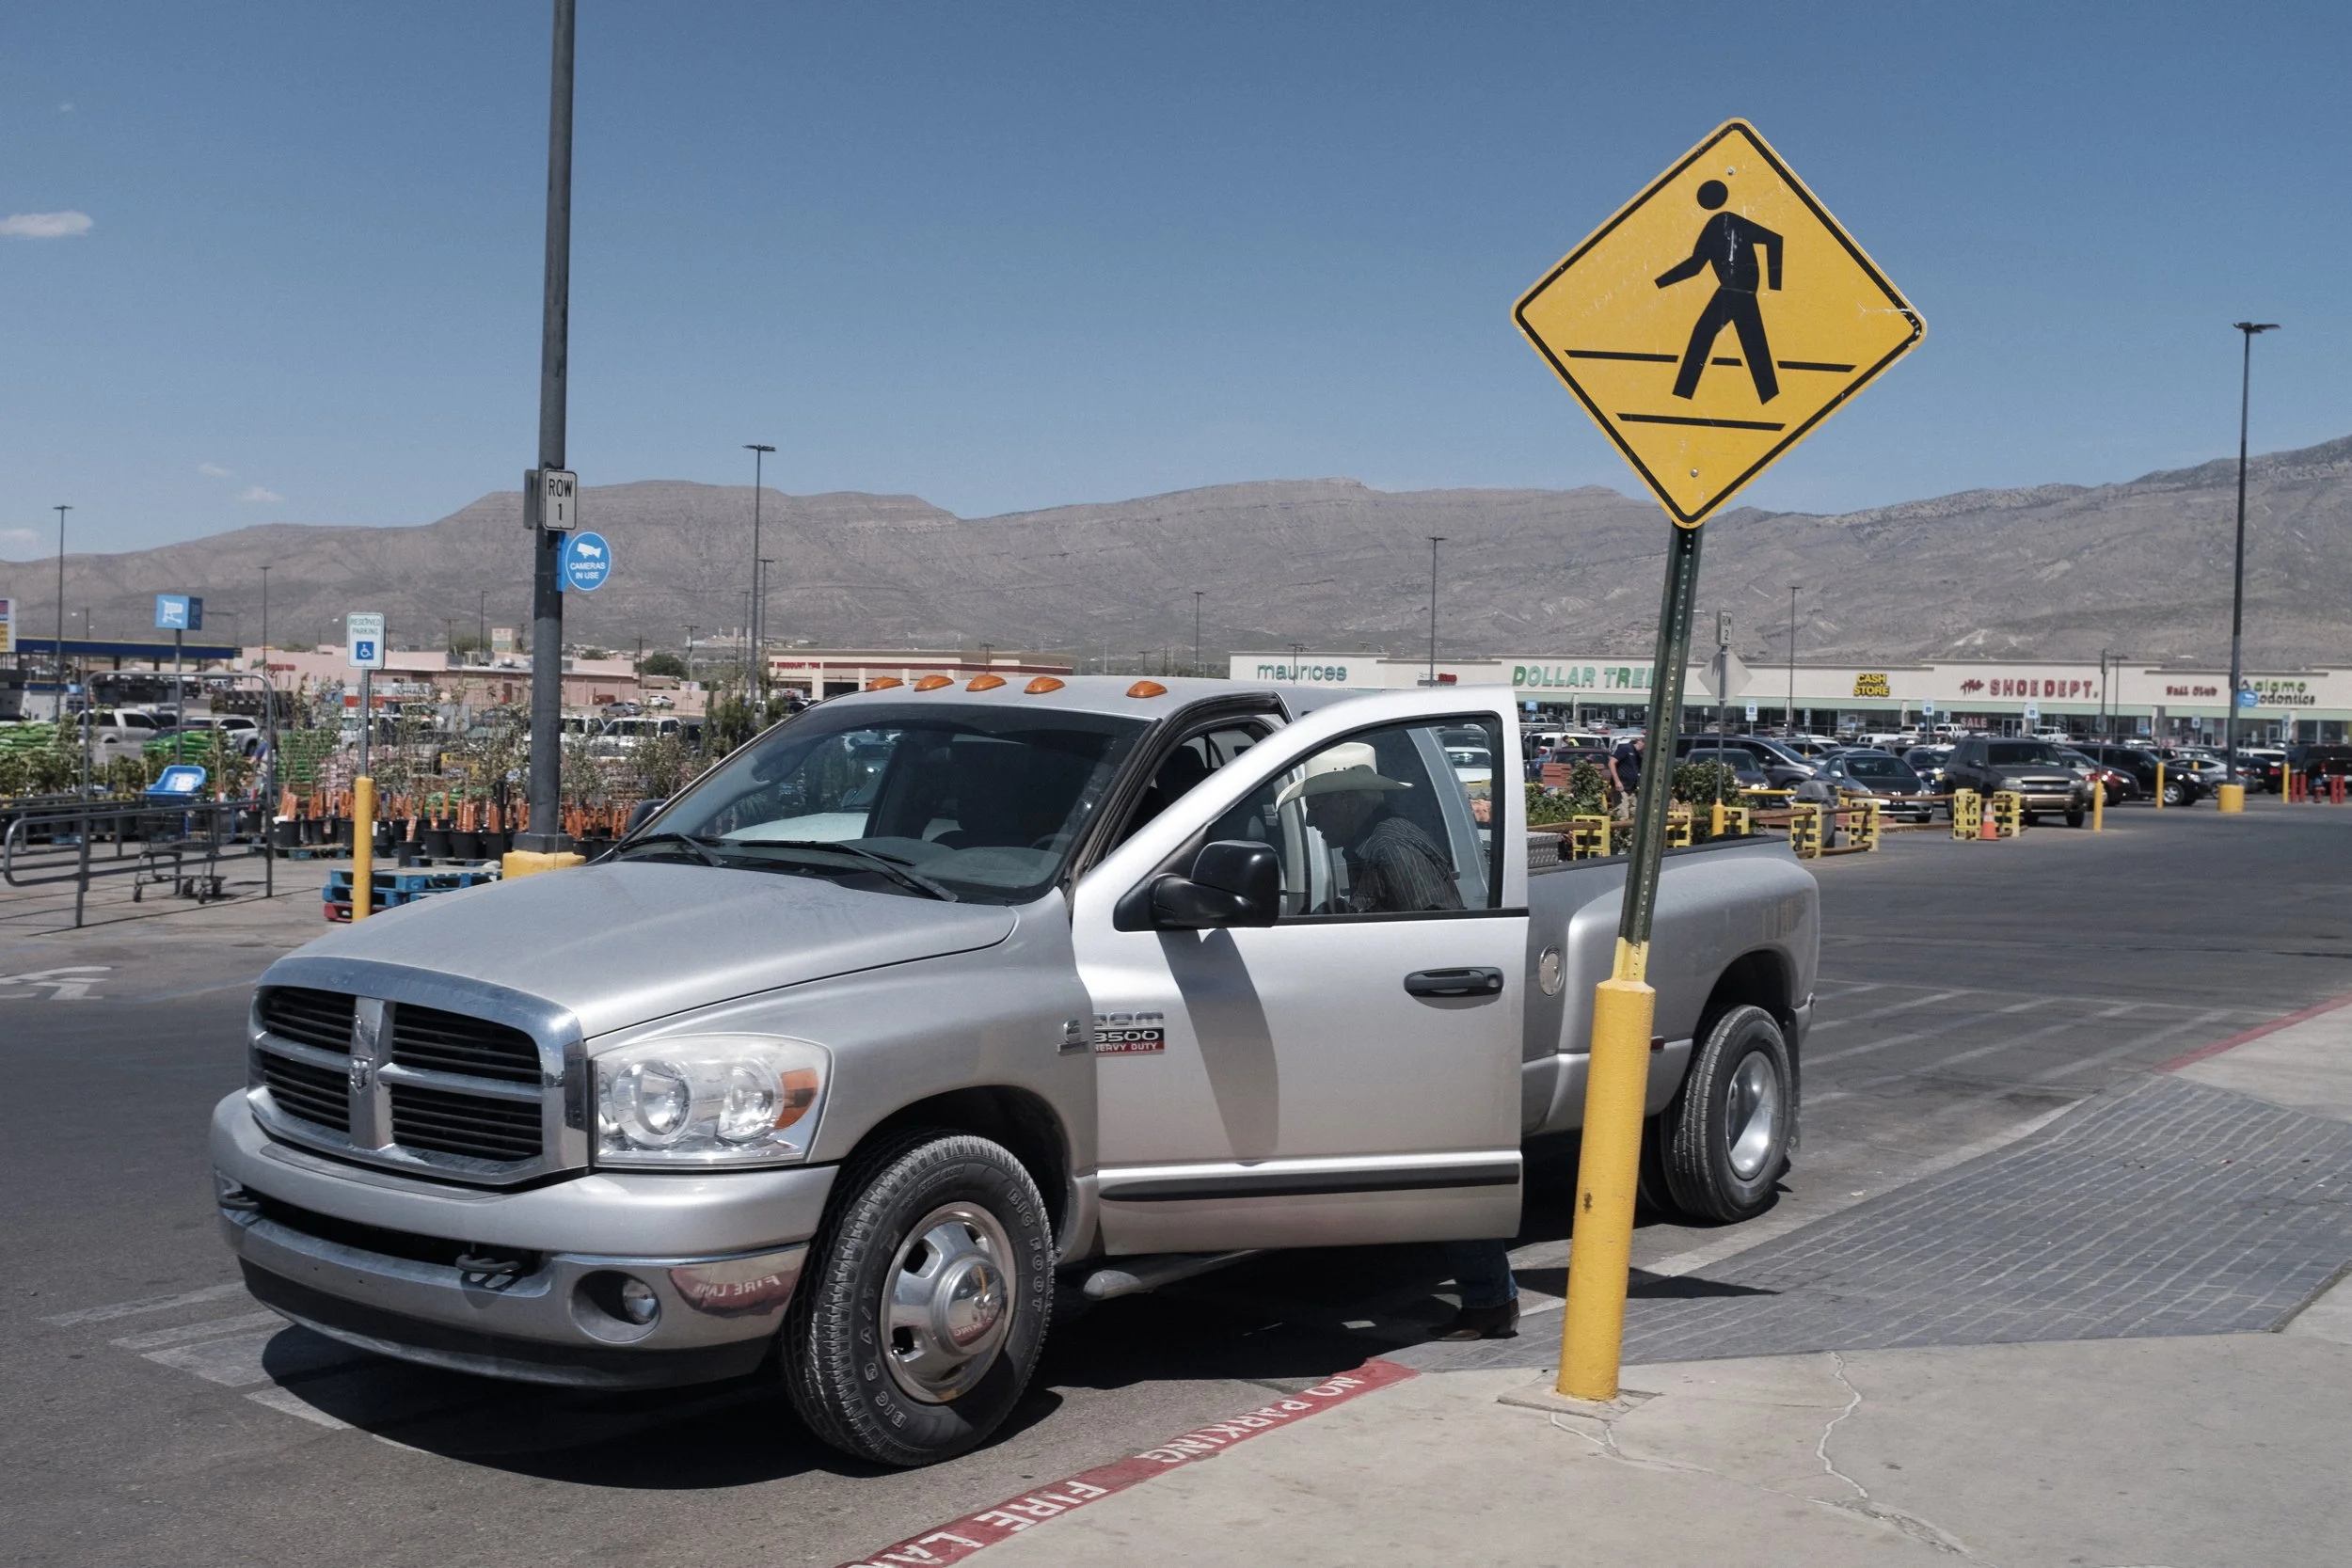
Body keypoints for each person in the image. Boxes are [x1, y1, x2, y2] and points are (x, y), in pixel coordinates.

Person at [1281, 755, 1462, 914]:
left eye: (1316, 808)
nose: (1310, 821)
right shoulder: (1371, 846)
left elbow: (1437, 935)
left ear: (1349, 802)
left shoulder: (1392, 849)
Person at [1608, 733, 1645, 805]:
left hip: (1632, 789)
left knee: (1634, 813)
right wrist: (1617, 782)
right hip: (1622, 788)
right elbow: (1611, 763)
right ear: (1639, 741)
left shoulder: (1638, 755)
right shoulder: (1626, 748)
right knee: (1623, 814)